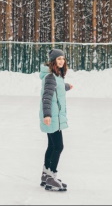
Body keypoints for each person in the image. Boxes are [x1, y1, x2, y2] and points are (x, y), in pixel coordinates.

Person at [40, 48, 74, 192]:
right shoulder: (50, 77)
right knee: (58, 146)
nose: (61, 61)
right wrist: (47, 115)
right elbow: (47, 97)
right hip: (52, 117)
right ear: (53, 61)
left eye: (63, 59)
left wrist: (66, 86)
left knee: (52, 146)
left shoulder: (56, 76)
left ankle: (46, 174)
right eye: (58, 59)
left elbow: (56, 89)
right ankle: (51, 176)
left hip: (54, 116)